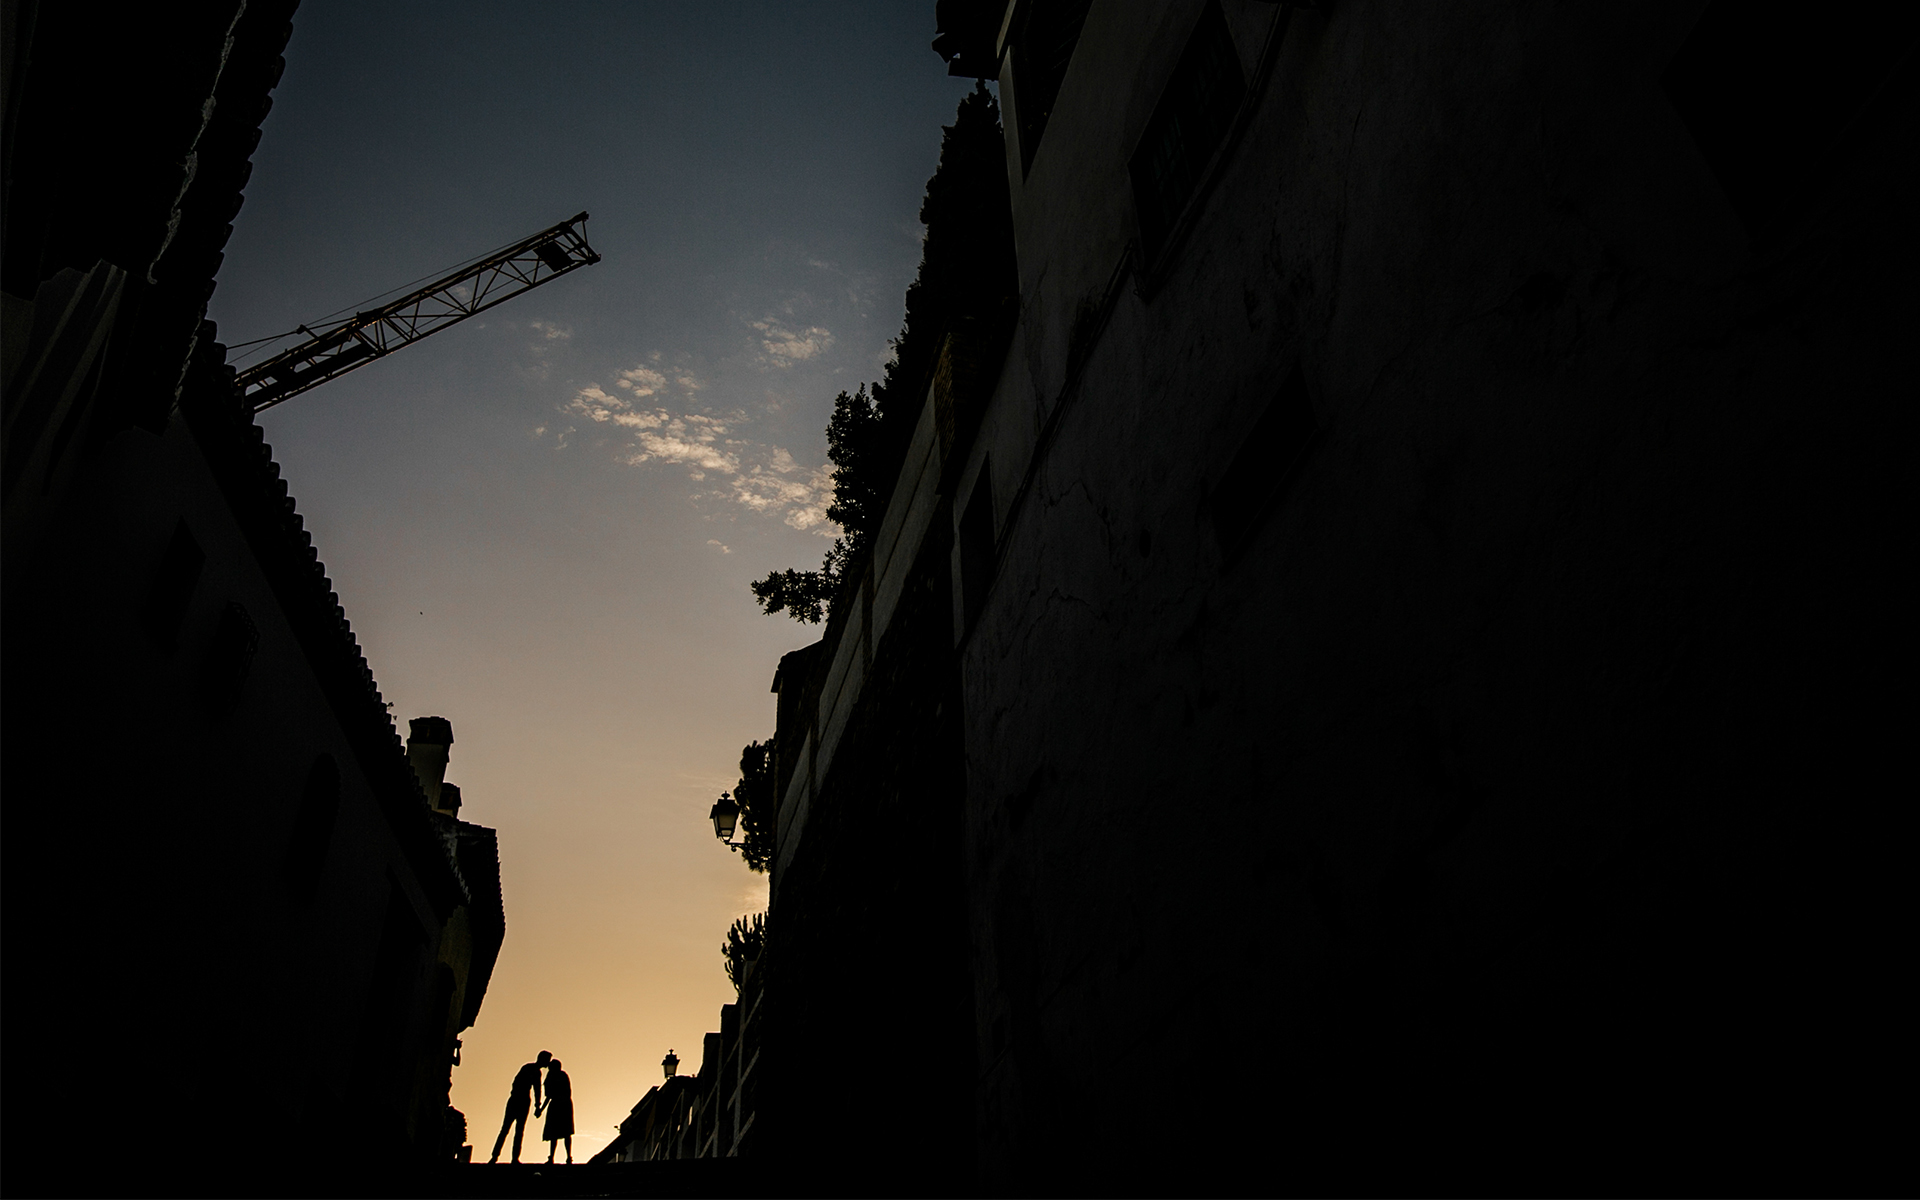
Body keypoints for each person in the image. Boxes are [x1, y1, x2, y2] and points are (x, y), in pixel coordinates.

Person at [488, 1050, 550, 1164]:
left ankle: (500, 1157)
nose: (548, 1063)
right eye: (547, 1060)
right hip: (520, 1100)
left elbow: (533, 1088)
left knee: (510, 1129)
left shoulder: (529, 1068)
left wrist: (537, 1105)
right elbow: (536, 1089)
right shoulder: (534, 1071)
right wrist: (537, 1105)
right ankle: (504, 1157)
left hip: (518, 1099)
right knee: (513, 1130)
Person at [538, 1058, 575, 1164]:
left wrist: (541, 1109)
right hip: (562, 1105)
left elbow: (549, 1095)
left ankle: (566, 1157)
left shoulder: (558, 1076)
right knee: (557, 1133)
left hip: (561, 1105)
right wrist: (541, 1109)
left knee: (564, 1133)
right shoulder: (559, 1076)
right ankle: (555, 1157)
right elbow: (549, 1095)